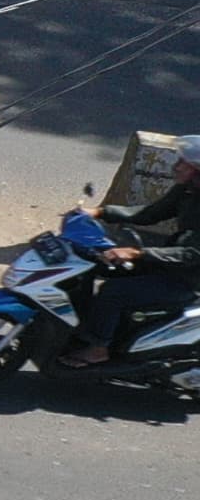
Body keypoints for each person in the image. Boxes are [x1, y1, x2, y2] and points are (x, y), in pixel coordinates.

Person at [72, 151, 200, 362]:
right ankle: (81, 328)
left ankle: (98, 348)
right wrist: (100, 212)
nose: (176, 167)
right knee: (93, 263)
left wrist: (137, 253)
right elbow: (149, 214)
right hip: (168, 265)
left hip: (186, 280)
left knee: (112, 292)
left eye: (183, 164)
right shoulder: (187, 191)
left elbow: (191, 254)